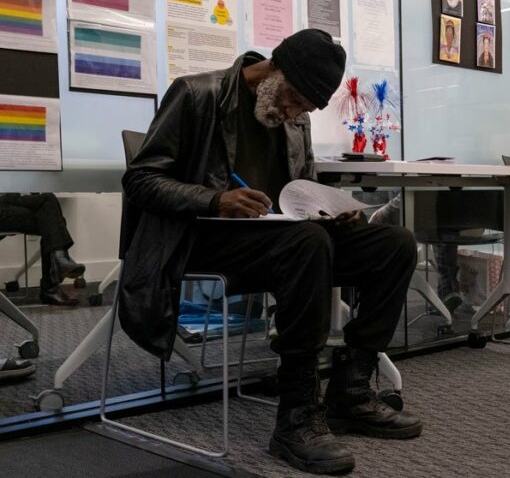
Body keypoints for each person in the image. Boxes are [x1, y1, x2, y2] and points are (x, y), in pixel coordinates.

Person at [120, 29, 421, 475]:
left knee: (394, 244)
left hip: (277, 238)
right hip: (197, 239)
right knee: (306, 243)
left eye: (305, 108)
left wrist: (329, 210)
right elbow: (141, 179)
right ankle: (296, 414)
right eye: (293, 97)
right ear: (273, 66)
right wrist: (212, 199)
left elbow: (298, 190)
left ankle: (350, 391)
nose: (294, 111)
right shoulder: (196, 94)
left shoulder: (295, 119)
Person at [0, 193, 85, 306]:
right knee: (51, 218)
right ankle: (54, 277)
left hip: (8, 201)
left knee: (49, 203)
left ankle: (59, 262)